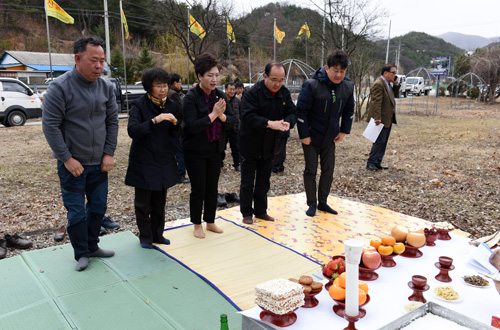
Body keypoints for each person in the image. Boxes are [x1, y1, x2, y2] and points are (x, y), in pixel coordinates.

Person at [42, 36, 118, 271]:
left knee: (97, 208)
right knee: (76, 213)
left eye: (102, 61)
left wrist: (109, 153)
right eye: (93, 60)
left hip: (99, 164)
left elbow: (112, 121)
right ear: (77, 58)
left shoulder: (106, 86)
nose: (99, 66)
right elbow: (50, 125)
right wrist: (66, 158)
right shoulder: (60, 87)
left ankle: (93, 245)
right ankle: (81, 253)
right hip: (72, 165)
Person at [182, 53, 236, 239]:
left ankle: (210, 221)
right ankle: (197, 223)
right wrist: (213, 116)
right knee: (199, 189)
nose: (214, 79)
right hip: (195, 151)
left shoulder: (220, 95)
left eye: (216, 75)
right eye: (209, 75)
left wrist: (222, 117)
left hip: (215, 149)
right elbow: (191, 126)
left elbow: (233, 121)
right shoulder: (190, 98)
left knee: (212, 187)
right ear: (199, 76)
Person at [296, 50, 354, 217]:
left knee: (328, 170)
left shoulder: (347, 86)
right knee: (311, 170)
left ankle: (323, 202)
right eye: (335, 70)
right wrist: (304, 135)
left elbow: (349, 110)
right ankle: (311, 203)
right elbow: (301, 112)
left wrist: (344, 131)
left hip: (330, 137)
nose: (338, 75)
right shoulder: (312, 85)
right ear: (327, 68)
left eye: (342, 71)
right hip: (311, 136)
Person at [125, 67, 179, 249]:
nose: (163, 89)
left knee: (159, 201)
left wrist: (176, 123)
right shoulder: (139, 105)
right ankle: (145, 237)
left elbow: (178, 133)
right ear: (149, 87)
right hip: (143, 159)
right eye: (158, 86)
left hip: (163, 158)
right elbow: (132, 130)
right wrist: (155, 120)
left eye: (165, 85)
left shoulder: (170, 103)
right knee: (143, 203)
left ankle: (158, 235)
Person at [239, 62, 296, 224]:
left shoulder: (283, 93)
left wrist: (288, 122)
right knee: (248, 180)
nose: (278, 84)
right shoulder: (252, 93)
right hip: (249, 142)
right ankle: (246, 213)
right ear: (265, 77)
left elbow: (292, 111)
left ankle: (261, 211)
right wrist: (270, 123)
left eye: (281, 80)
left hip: (270, 144)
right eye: (274, 79)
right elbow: (248, 116)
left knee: (264, 179)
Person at [366, 64, 400, 171]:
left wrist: (396, 84)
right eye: (393, 73)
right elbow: (376, 102)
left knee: (383, 141)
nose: (395, 75)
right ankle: (371, 163)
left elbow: (395, 95)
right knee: (379, 141)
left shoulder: (387, 84)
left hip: (388, 118)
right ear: (385, 73)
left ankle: (377, 162)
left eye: (395, 73)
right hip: (381, 118)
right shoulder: (379, 84)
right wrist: (377, 118)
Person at [167, 73, 190, 184]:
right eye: (180, 82)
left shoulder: (167, 92)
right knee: (180, 152)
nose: (181, 85)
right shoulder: (174, 95)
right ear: (175, 83)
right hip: (175, 127)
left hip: (167, 127)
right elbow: (180, 110)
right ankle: (181, 176)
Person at [221, 82, 241, 171]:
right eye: (231, 89)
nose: (233, 91)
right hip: (223, 128)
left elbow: (241, 114)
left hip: (235, 128)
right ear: (225, 90)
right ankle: (219, 164)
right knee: (221, 147)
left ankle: (237, 164)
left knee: (236, 147)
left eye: (234, 89)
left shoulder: (238, 101)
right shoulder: (221, 101)